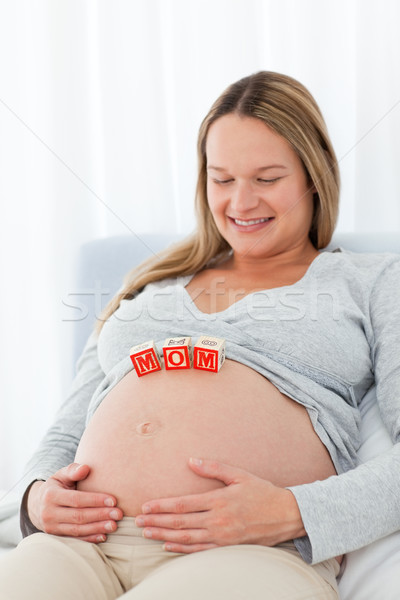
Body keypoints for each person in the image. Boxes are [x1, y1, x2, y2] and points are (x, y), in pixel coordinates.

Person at [1, 70, 400, 600]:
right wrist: (34, 498)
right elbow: (66, 431)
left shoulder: (372, 282)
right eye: (222, 178)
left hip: (250, 553)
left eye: (267, 178)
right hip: (80, 547)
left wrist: (293, 512)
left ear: (314, 174)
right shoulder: (147, 284)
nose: (240, 202)